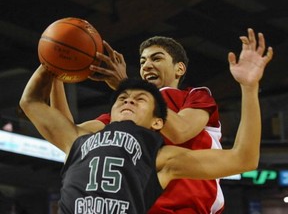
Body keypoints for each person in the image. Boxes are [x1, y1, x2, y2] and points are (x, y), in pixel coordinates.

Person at [20, 35, 272, 212]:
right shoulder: (122, 116)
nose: (147, 65)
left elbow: (181, 131)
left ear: (179, 68)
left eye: (156, 58)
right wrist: (57, 69)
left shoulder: (192, 97)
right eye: (142, 61)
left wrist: (249, 89)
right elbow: (69, 137)